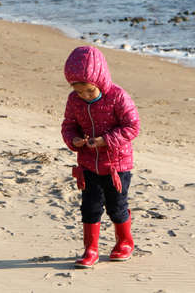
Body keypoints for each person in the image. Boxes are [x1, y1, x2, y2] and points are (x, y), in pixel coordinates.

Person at [61, 46, 140, 268]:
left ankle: (124, 242)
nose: (84, 96)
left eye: (89, 91)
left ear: (100, 81)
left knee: (116, 206)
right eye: (79, 91)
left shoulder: (117, 96)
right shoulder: (74, 101)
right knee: (90, 207)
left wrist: (106, 140)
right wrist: (74, 140)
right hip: (88, 164)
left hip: (117, 165)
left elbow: (132, 126)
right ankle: (91, 249)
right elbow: (68, 126)